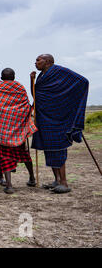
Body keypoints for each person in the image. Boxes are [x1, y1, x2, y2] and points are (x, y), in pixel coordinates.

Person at [31, 54, 89, 194]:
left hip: (58, 119)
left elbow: (83, 81)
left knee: (58, 149)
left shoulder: (60, 71)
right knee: (49, 149)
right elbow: (36, 94)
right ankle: (56, 180)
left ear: (48, 62)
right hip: (45, 118)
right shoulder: (41, 76)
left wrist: (67, 103)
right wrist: (31, 80)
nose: (35, 62)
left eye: (38, 60)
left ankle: (64, 182)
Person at [0, 68, 37, 194]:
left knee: (5, 156)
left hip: (3, 132)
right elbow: (26, 106)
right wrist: (19, 120)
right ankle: (32, 178)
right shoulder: (19, 87)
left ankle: (9, 185)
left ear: (1, 77)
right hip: (18, 131)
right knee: (25, 155)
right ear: (14, 76)